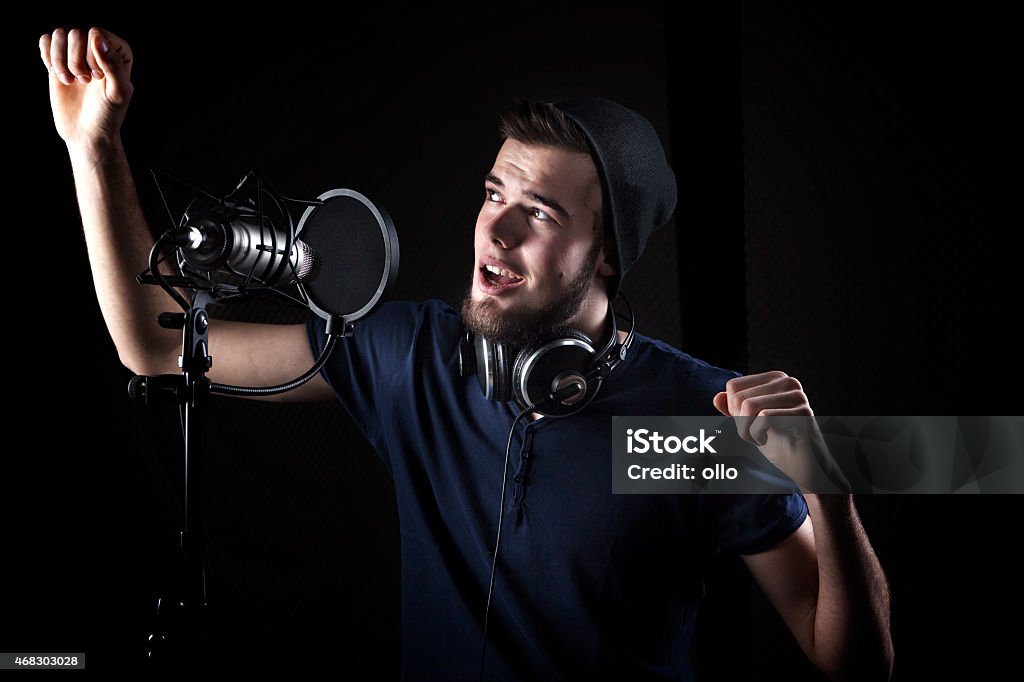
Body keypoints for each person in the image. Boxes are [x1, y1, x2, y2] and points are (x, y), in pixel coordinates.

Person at [40, 26, 894, 681]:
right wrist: (94, 148)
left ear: (605, 255)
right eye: (494, 193)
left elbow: (853, 666)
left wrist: (832, 498)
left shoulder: (698, 424)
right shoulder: (407, 357)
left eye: (542, 213)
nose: (496, 227)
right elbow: (156, 346)